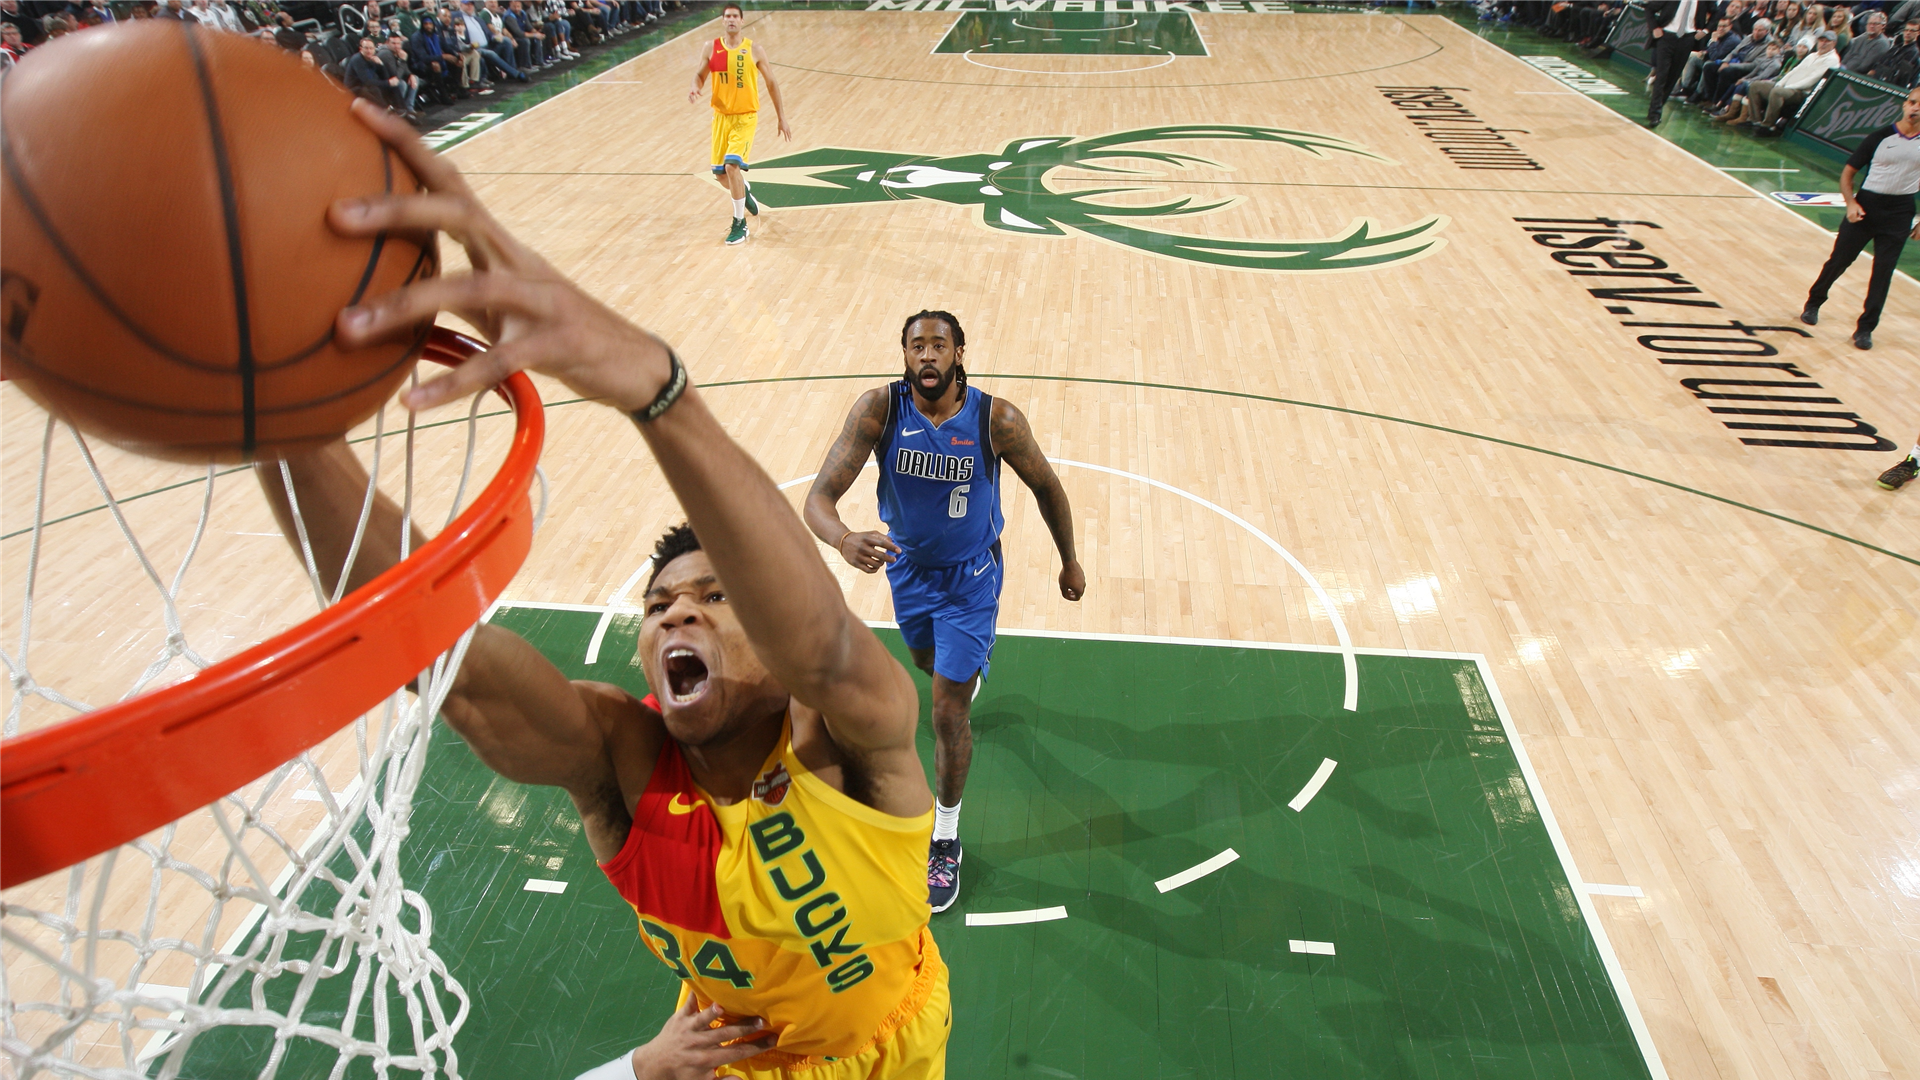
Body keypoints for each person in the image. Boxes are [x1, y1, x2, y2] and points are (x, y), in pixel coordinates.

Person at [272, 99, 953, 1080]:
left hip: (885, 1051)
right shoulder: (621, 762)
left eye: (716, 598)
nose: (677, 610)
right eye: (659, 604)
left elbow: (824, 645)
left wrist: (657, 392)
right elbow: (448, 662)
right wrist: (277, 425)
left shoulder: (844, 737)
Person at [803, 311, 1084, 913]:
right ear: (904, 355)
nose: (926, 356)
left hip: (971, 580)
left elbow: (1047, 487)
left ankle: (947, 835)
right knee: (927, 666)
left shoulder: (995, 419)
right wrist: (843, 537)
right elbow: (819, 497)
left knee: (948, 714)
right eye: (915, 346)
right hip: (908, 573)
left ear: (960, 352)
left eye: (938, 345)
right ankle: (964, 668)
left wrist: (1069, 561)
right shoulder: (878, 410)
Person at [1799, 86, 1920, 358]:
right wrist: (1851, 203)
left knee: (1883, 271)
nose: (1915, 108)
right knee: (1839, 260)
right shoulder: (1879, 138)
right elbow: (1847, 174)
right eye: (1912, 102)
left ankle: (1865, 328)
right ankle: (1814, 302)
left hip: (1901, 211)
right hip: (1867, 207)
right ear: (1904, 104)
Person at [688, 2, 792, 246]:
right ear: (723, 21)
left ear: (742, 21)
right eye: (727, 16)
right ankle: (744, 191)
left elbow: (772, 83)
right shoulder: (711, 48)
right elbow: (700, 74)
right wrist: (695, 86)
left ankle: (740, 224)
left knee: (732, 166)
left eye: (735, 16)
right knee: (721, 175)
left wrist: (781, 116)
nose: (731, 19)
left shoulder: (754, 49)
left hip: (745, 116)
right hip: (721, 118)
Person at [1746, 27, 1842, 132]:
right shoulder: (1812, 55)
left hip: (1803, 92)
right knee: (1755, 85)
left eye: (1827, 41)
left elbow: (1812, 79)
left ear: (1834, 43)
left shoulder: (1832, 60)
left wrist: (1789, 86)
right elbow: (1794, 70)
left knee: (1777, 92)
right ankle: (1755, 120)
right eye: (1821, 40)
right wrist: (1781, 83)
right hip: (1789, 87)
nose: (1823, 43)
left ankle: (1767, 126)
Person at [1646, 0, 1717, 125]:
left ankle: (1656, 107)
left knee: (1673, 76)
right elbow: (1649, 8)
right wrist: (1654, 28)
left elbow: (1716, 13)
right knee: (1662, 75)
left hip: (1688, 39)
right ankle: (1655, 113)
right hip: (1666, 36)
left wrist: (1705, 31)